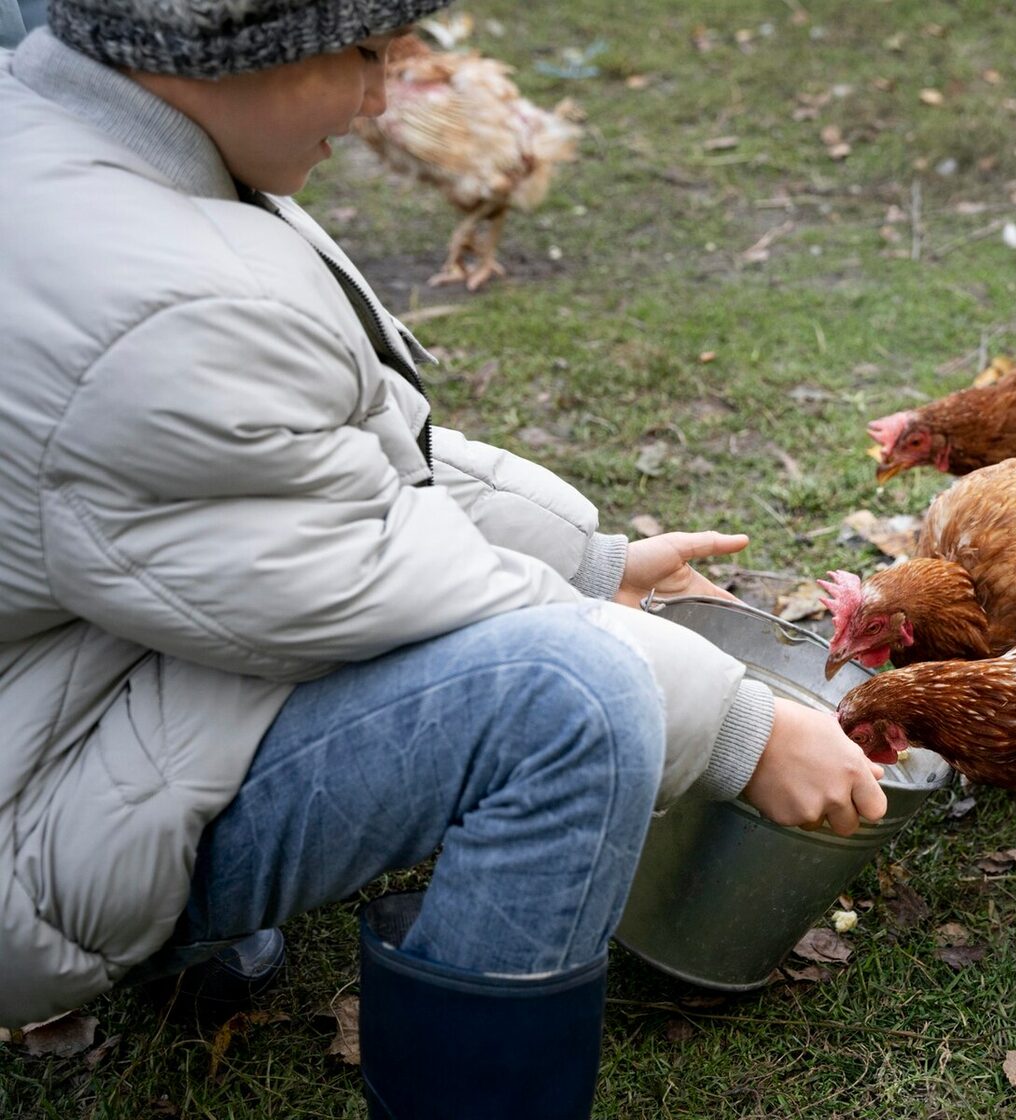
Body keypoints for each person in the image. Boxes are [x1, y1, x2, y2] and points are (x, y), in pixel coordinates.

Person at [0, 3, 888, 1117]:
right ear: (237, 49)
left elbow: (317, 447)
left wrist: (587, 556)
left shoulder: (96, 154)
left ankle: (199, 944)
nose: (380, 99)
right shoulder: (143, 294)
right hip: (27, 812)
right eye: (365, 57)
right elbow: (357, 567)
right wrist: (741, 725)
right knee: (570, 699)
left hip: (66, 682)